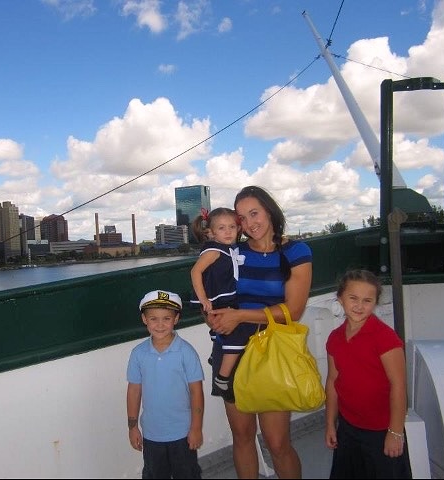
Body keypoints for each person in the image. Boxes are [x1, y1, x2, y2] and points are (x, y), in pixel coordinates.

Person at [206, 185, 313, 479]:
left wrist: (239, 315)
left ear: (269, 210)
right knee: (242, 437)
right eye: (241, 218)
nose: (249, 222)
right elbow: (213, 296)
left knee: (277, 443)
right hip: (232, 353)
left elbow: (293, 310)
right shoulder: (231, 252)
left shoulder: (294, 252)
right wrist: (214, 317)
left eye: (254, 213)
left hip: (272, 355)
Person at [324, 269, 412, 479]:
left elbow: (398, 385)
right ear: (340, 299)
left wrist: (395, 432)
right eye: (353, 298)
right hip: (348, 428)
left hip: (381, 430)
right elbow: (333, 381)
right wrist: (330, 424)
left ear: (375, 303)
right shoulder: (335, 338)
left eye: (367, 300)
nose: (359, 306)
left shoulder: (385, 338)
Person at [126, 290, 205, 479]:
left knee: (187, 474)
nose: (160, 325)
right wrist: (132, 426)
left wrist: (196, 428)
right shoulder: (138, 354)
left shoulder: (186, 352)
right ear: (144, 319)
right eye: (153, 319)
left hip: (183, 433)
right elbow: (134, 391)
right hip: (152, 434)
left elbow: (196, 392)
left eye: (166, 318)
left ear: (176, 319)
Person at [190, 207, 244, 402]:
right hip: (219, 299)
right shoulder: (214, 250)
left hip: (228, 297)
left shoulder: (230, 249)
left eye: (232, 227)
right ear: (210, 233)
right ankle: (223, 377)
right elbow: (196, 271)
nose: (228, 232)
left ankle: (217, 354)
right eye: (222, 228)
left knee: (225, 330)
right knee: (238, 334)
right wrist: (203, 299)